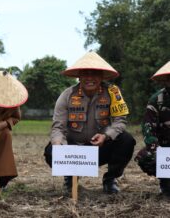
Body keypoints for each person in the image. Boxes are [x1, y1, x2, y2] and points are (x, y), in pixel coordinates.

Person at [44, 52, 135, 194]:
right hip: (73, 148)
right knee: (51, 151)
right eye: (85, 74)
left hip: (100, 148)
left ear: (102, 76)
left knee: (127, 140)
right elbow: (58, 126)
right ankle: (70, 178)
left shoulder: (113, 93)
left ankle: (110, 179)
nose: (90, 78)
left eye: (95, 74)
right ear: (79, 76)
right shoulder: (67, 95)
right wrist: (58, 144)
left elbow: (120, 121)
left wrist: (106, 136)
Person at [135, 61, 170, 196]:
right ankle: (165, 181)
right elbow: (148, 129)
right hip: (165, 148)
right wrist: (157, 151)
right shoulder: (157, 100)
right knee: (145, 157)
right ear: (166, 80)